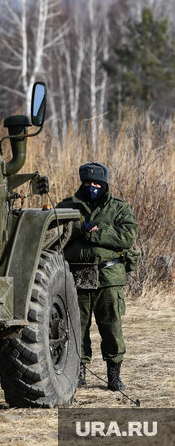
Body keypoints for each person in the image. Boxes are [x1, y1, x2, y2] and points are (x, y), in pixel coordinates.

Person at [57, 162, 138, 392]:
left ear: (104, 184)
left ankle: (114, 375)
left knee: (111, 327)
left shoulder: (119, 208)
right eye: (87, 183)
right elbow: (54, 235)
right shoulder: (67, 207)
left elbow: (127, 235)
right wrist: (78, 229)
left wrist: (97, 234)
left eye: (96, 184)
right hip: (78, 274)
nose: (92, 187)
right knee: (77, 326)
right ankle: (79, 372)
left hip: (109, 276)